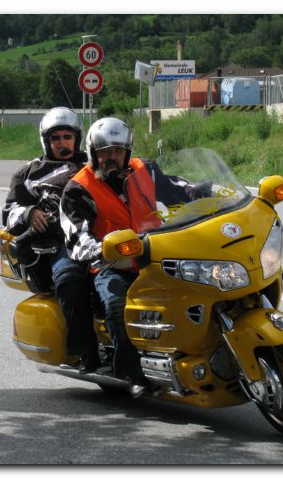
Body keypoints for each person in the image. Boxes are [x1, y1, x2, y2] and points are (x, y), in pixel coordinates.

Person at [60, 117, 195, 396]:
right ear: (93, 154)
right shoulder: (78, 188)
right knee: (117, 305)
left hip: (156, 255)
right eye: (104, 152)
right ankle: (130, 371)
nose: (111, 157)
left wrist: (213, 194)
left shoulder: (145, 170)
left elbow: (180, 191)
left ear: (127, 152)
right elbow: (77, 236)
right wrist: (101, 249)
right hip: (112, 265)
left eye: (117, 151)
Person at [3, 107, 100, 374]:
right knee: (69, 278)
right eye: (55, 138)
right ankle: (85, 351)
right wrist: (30, 212)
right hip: (59, 244)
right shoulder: (28, 173)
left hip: (101, 235)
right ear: (46, 141)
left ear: (77, 138)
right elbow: (8, 214)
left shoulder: (93, 164)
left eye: (67, 136)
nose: (62, 143)